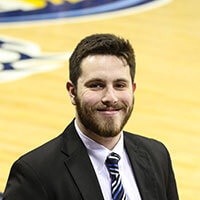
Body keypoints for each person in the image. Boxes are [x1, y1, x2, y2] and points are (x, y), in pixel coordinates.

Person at [3, 33, 179, 200]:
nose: (110, 97)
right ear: (73, 92)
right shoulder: (35, 173)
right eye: (96, 85)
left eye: (119, 85)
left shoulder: (156, 155)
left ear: (132, 90)